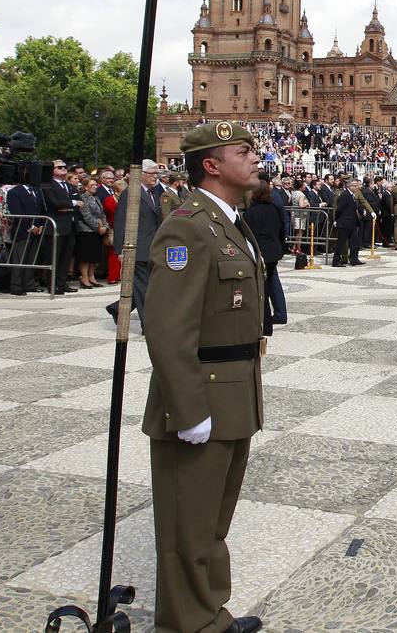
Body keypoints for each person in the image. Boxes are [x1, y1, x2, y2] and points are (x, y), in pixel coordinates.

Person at [142, 121, 265, 633]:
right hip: (202, 396)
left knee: (212, 519)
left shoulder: (229, 221)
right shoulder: (188, 226)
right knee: (187, 524)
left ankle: (208, 612)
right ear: (211, 164)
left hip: (234, 391)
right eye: (244, 150)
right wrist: (187, 409)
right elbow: (168, 330)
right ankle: (186, 623)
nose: (256, 157)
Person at [107, 160, 164, 325]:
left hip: (153, 246)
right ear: (142, 175)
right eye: (152, 174)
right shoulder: (130, 193)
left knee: (144, 285)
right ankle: (149, 324)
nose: (155, 177)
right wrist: (120, 249)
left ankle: (117, 308)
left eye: (156, 174)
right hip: (138, 247)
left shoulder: (153, 193)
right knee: (144, 285)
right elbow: (120, 221)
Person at [245, 178, 288, 337]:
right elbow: (281, 228)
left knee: (260, 287)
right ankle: (275, 315)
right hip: (274, 251)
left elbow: (250, 235)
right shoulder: (273, 208)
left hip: (261, 253)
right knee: (269, 283)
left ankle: (265, 322)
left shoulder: (253, 211)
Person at [41, 158, 80, 292]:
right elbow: (55, 203)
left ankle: (62, 283)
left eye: (65, 167)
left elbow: (80, 204)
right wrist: (72, 204)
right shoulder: (48, 185)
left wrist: (69, 205)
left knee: (66, 258)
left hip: (70, 226)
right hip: (55, 226)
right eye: (60, 167)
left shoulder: (70, 186)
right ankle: (52, 285)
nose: (64, 169)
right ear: (52, 170)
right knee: (54, 257)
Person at [75, 177, 108, 288]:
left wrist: (105, 226)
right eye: (92, 185)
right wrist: (97, 227)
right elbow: (86, 215)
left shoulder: (96, 198)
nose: (95, 187)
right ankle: (84, 278)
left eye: (95, 185)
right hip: (86, 230)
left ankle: (91, 276)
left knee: (94, 256)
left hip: (98, 231)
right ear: (85, 187)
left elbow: (102, 214)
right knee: (86, 256)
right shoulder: (83, 198)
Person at [331, 180, 367, 267]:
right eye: (356, 185)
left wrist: (362, 212)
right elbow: (339, 209)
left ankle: (354, 259)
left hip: (352, 223)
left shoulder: (351, 195)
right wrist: (336, 219)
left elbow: (355, 207)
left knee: (355, 242)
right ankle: (336, 261)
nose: (357, 187)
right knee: (341, 242)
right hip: (345, 222)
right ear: (350, 186)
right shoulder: (345, 195)